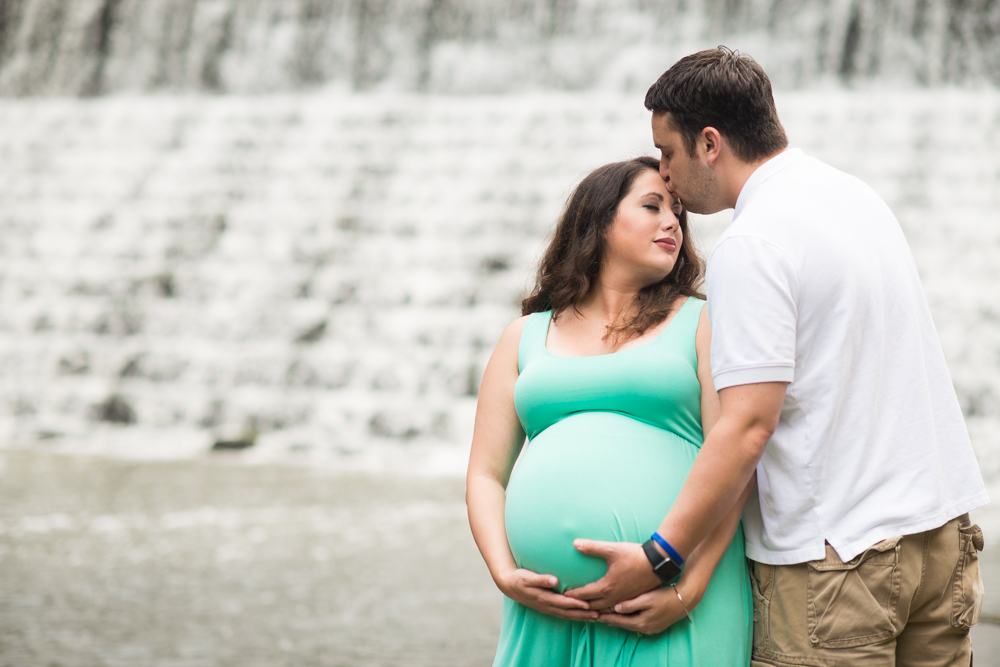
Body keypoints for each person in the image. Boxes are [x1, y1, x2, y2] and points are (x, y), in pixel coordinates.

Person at [564, 47, 989, 666]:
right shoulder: (855, 196)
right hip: (940, 536)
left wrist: (661, 555)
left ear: (710, 143)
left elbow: (746, 427)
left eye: (668, 152)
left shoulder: (754, 241)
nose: (667, 175)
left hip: (840, 564)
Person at [466, 156, 753, 665]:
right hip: (544, 610)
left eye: (678, 215)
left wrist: (689, 587)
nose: (672, 223)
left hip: (671, 604)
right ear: (597, 221)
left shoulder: (705, 322)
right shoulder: (524, 335)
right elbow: (487, 474)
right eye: (652, 206)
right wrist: (505, 575)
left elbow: (733, 462)